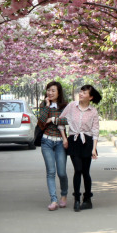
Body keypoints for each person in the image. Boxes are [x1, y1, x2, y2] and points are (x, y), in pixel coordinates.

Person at [60, 84, 101, 211]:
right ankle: (77, 199)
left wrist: (94, 149)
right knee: (77, 170)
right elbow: (61, 120)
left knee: (85, 172)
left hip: (87, 142)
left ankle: (87, 199)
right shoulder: (72, 106)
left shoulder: (93, 111)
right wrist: (65, 138)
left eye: (84, 92)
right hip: (74, 140)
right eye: (81, 91)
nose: (81, 94)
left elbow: (95, 131)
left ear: (91, 97)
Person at [35, 81, 69, 210]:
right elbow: (41, 122)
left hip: (60, 142)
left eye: (53, 90)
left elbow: (68, 120)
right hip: (46, 142)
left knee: (61, 173)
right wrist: (47, 107)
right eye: (48, 90)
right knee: (50, 172)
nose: (50, 92)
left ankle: (64, 195)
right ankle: (54, 200)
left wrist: (53, 119)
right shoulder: (44, 105)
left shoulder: (65, 106)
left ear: (59, 92)